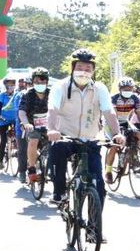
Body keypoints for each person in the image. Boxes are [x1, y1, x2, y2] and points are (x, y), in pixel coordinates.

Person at [47, 48, 125, 211]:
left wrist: (117, 133)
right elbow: (53, 109)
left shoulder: (99, 88)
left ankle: (94, 230)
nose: (84, 72)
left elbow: (108, 111)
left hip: (90, 139)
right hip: (65, 137)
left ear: (93, 70)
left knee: (99, 186)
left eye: (88, 69)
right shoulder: (60, 87)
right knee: (56, 151)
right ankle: (59, 192)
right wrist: (52, 130)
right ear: (73, 68)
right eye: (80, 67)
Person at [104, 76, 140, 184]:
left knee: (137, 133)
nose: (128, 91)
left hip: (125, 121)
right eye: (125, 89)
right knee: (114, 146)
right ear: (120, 89)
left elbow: (138, 112)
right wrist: (117, 131)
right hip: (111, 122)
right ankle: (108, 172)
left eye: (130, 89)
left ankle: (135, 156)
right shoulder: (114, 98)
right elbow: (113, 114)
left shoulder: (135, 98)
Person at [19, 68, 51, 183]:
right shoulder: (28, 94)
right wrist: (26, 123)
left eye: (42, 81)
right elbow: (22, 112)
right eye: (37, 81)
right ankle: (32, 169)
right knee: (33, 141)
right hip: (32, 125)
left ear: (47, 82)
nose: (40, 84)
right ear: (32, 82)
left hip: (49, 125)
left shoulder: (52, 93)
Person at [0, 76, 17, 170]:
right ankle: (0, 162)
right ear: (6, 86)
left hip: (15, 119)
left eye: (13, 85)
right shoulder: (1, 96)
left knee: (20, 138)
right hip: (3, 120)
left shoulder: (17, 95)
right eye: (9, 85)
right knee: (3, 140)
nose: (11, 86)